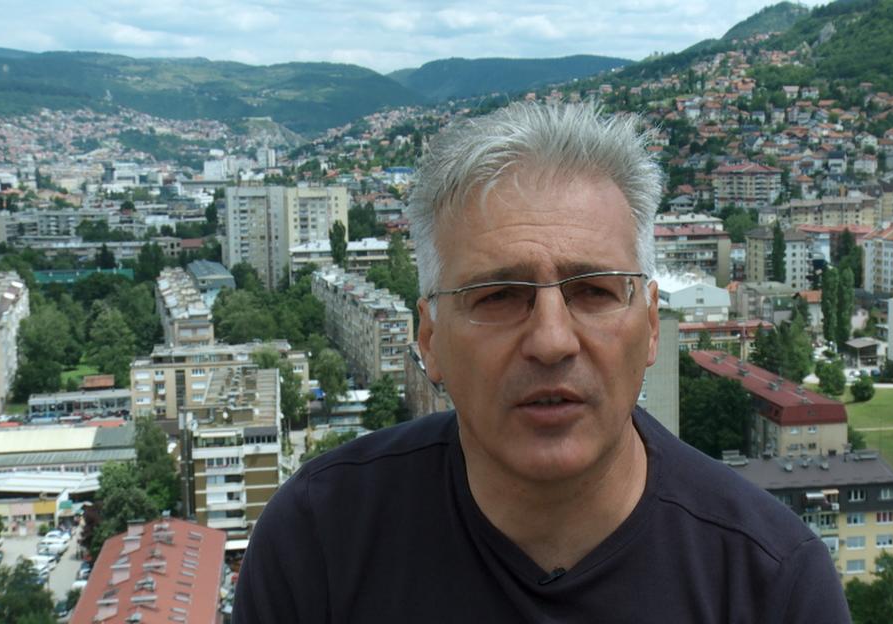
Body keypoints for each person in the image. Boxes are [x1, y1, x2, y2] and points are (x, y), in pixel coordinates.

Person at [233, 103, 851, 623]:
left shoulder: (770, 584)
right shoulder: (318, 543)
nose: (552, 340)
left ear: (650, 326)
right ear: (429, 339)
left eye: (594, 291)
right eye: (498, 296)